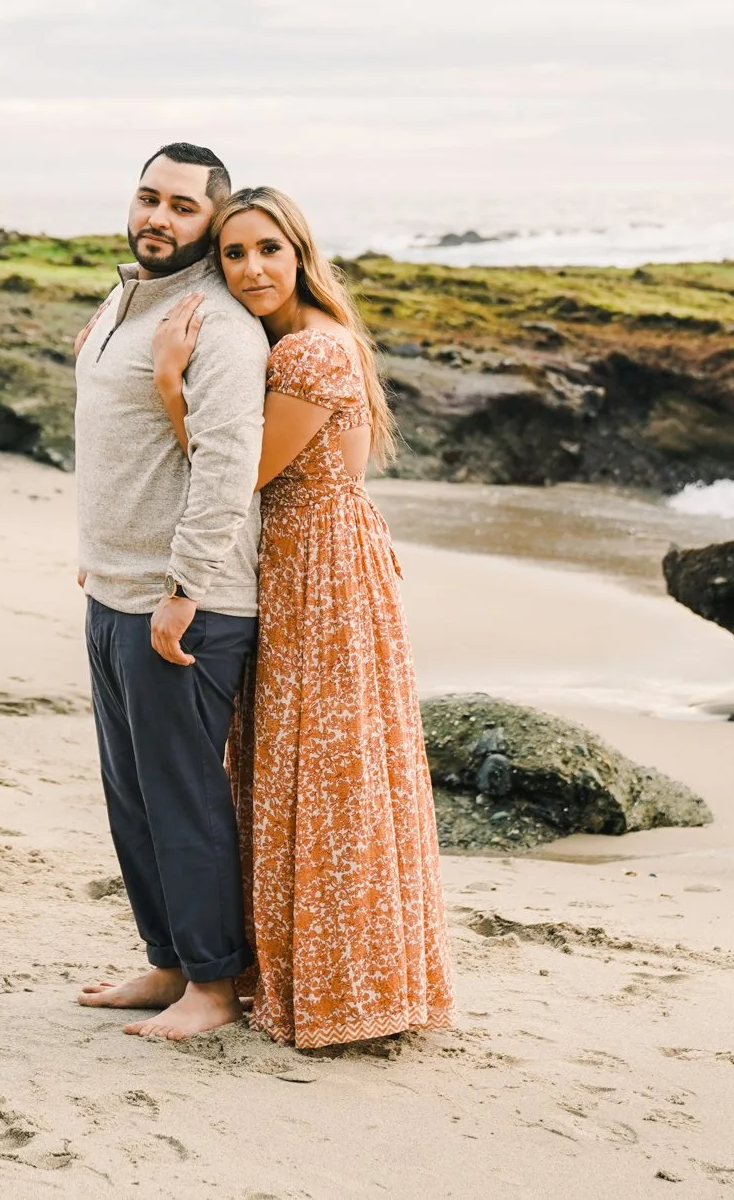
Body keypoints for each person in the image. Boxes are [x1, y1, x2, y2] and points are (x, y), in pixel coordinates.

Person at [151, 185, 456, 1049]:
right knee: (302, 766)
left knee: (327, 771)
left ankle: (344, 985)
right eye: (234, 253)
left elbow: (238, 470)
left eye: (268, 250)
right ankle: (306, 967)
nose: (252, 269)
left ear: (300, 254)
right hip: (297, 562)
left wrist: (171, 383)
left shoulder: (313, 350)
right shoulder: (287, 341)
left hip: (321, 571)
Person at [69, 143, 269, 1041]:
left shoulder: (219, 325)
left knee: (183, 796)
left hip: (187, 602)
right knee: (132, 794)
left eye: (183, 206)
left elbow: (227, 466)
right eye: (149, 196)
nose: (158, 216)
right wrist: (96, 551)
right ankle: (167, 962)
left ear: (212, 220)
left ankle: (215, 987)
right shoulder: (126, 299)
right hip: (114, 585)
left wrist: (185, 585)